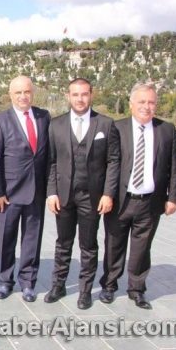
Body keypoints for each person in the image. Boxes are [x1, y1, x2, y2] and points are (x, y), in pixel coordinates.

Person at [99, 83, 176, 309]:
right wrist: (106, 194)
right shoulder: (116, 128)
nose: (146, 106)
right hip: (120, 200)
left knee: (142, 249)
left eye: (151, 102)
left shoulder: (167, 129)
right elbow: (106, 165)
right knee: (113, 245)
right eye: (142, 102)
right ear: (131, 104)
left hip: (150, 202)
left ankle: (136, 289)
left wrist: (173, 198)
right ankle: (109, 286)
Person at [44, 78, 120, 310]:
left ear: (91, 95)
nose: (80, 99)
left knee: (88, 246)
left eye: (84, 94)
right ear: (69, 96)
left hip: (92, 196)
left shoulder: (106, 124)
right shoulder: (55, 124)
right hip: (64, 195)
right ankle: (58, 285)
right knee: (63, 243)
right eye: (75, 94)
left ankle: (85, 291)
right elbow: (51, 161)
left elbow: (113, 161)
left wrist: (108, 193)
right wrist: (51, 193)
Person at [0, 75, 50, 302]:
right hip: (8, 194)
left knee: (32, 239)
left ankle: (28, 283)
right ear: (10, 95)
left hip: (36, 192)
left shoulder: (44, 117)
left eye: (27, 92)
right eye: (18, 92)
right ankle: (5, 281)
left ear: (33, 93)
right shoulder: (0, 121)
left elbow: (48, 155)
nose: (23, 96)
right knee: (6, 239)